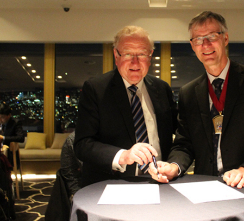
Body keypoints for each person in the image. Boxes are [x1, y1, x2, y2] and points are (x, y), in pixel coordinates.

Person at [149, 11, 244, 221]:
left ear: (225, 38)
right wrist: (174, 166)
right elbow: (184, 143)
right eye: (198, 40)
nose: (205, 45)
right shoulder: (188, 92)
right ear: (192, 45)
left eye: (212, 36)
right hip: (205, 193)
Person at [74, 26, 177, 187]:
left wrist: (173, 165)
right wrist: (123, 155)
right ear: (116, 55)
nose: (135, 62)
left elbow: (178, 136)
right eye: (128, 53)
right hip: (112, 184)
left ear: (150, 56)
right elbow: (82, 144)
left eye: (142, 54)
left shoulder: (162, 89)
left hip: (159, 182)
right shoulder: (96, 89)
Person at [0, 103, 25, 170]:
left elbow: (21, 138)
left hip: (9, 152)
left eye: (2, 117)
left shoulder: (15, 123)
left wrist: (3, 138)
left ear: (9, 115)